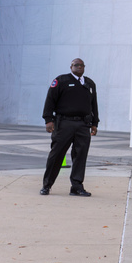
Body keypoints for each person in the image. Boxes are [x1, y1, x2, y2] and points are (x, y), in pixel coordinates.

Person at [40, 58, 98, 197]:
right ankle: (47, 185)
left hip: (83, 125)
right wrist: (48, 120)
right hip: (64, 124)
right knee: (56, 155)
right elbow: (50, 100)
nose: (79, 67)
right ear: (71, 67)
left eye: (81, 65)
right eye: (76, 65)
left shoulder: (89, 83)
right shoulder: (61, 81)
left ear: (84, 67)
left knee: (80, 156)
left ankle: (76, 187)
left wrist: (95, 123)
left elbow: (94, 104)